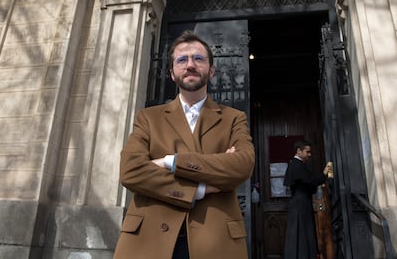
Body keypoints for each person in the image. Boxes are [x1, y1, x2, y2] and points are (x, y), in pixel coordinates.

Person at [113, 30, 255, 259]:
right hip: (149, 240)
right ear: (171, 73)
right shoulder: (148, 117)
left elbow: (242, 166)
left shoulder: (233, 118)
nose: (190, 65)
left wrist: (171, 161)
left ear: (211, 70)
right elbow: (131, 171)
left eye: (198, 59)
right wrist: (199, 188)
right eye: (182, 59)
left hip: (215, 240)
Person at [283, 139, 332, 259]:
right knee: (302, 236)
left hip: (300, 203)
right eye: (307, 152)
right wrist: (324, 175)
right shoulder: (296, 164)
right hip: (300, 205)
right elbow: (310, 181)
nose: (310, 155)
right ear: (299, 151)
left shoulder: (298, 164)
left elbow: (308, 182)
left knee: (301, 235)